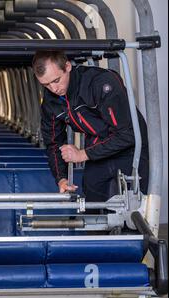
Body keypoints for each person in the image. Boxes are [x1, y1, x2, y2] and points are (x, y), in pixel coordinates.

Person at [32, 51, 149, 206]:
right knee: (92, 207)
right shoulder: (50, 102)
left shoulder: (100, 83)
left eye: (56, 80)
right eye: (46, 84)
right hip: (97, 153)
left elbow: (128, 134)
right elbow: (53, 143)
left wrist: (83, 154)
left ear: (67, 67)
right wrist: (61, 178)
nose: (53, 88)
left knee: (134, 211)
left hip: (130, 150)